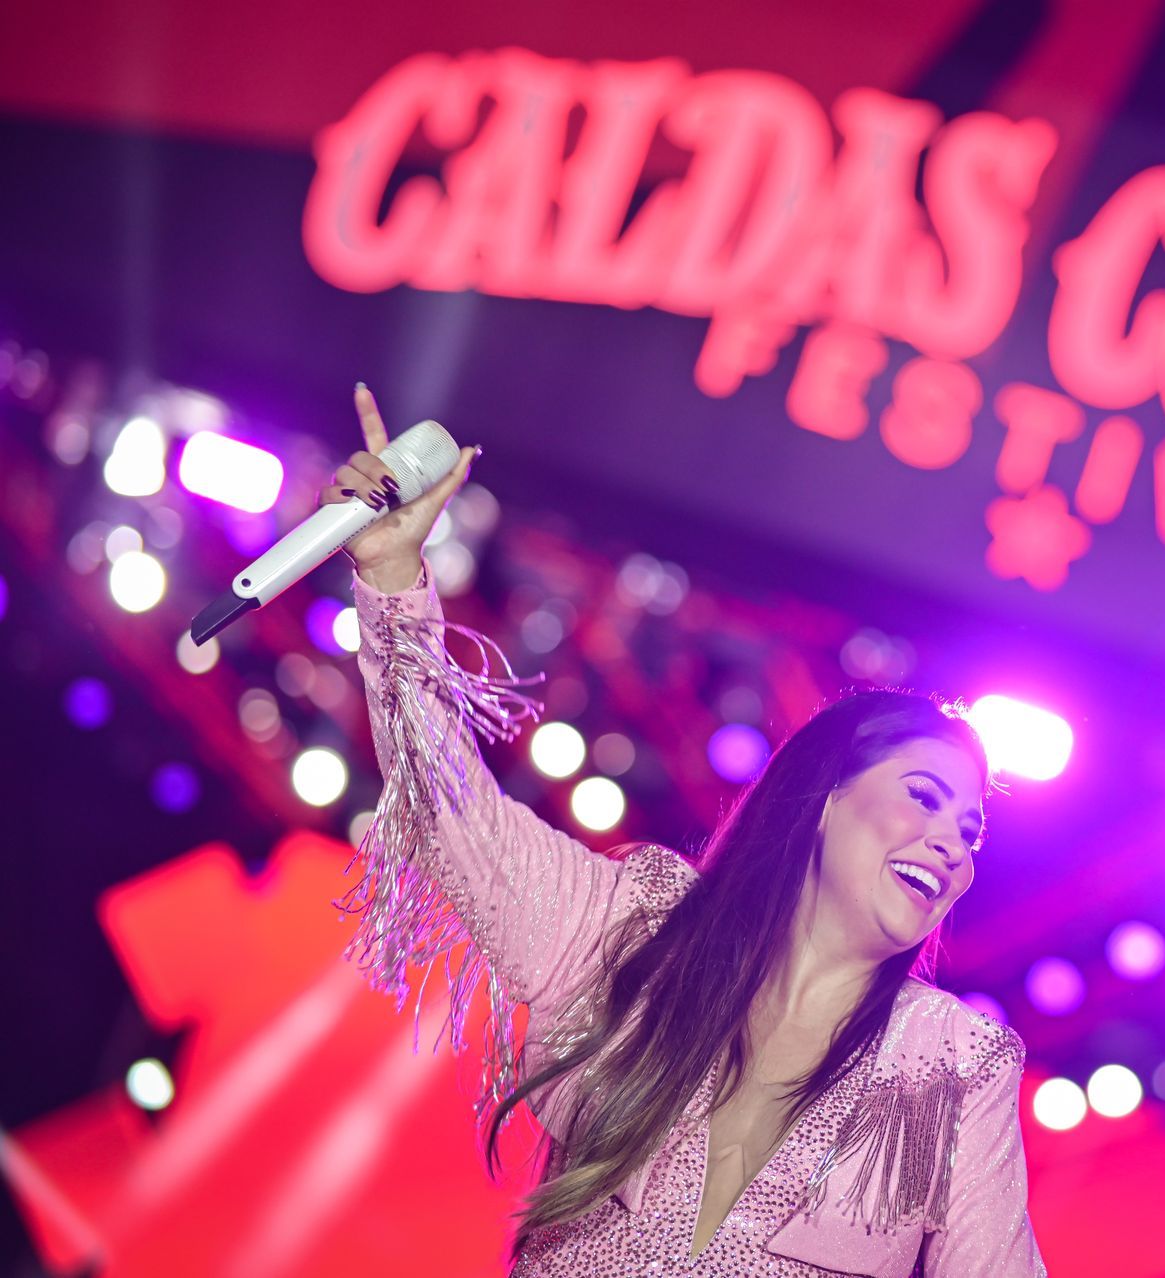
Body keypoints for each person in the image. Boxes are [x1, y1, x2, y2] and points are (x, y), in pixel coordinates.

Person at [324, 385, 1047, 1275]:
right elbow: (452, 813)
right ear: (825, 799)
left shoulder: (954, 1065)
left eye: (972, 834)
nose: (952, 844)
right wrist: (393, 579)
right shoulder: (637, 933)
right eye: (927, 797)